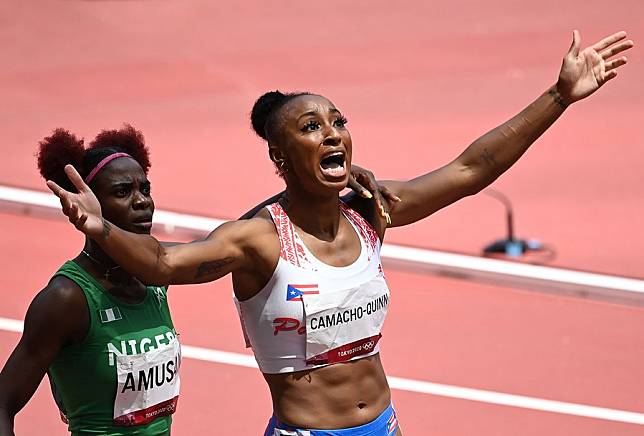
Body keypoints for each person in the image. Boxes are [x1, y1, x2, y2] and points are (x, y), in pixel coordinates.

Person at [45, 30, 632, 435]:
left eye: (338, 122)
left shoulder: (372, 209)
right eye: (310, 127)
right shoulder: (258, 238)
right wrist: (100, 227)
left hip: (385, 424)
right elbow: (165, 266)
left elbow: (470, 170)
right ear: (278, 156)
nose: (332, 135)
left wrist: (558, 97)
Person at [0, 126, 388, 436]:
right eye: (122, 192)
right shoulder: (67, 299)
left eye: (145, 189)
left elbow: (244, 232)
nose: (142, 202)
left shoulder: (152, 280)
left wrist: (321, 182)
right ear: (89, 203)